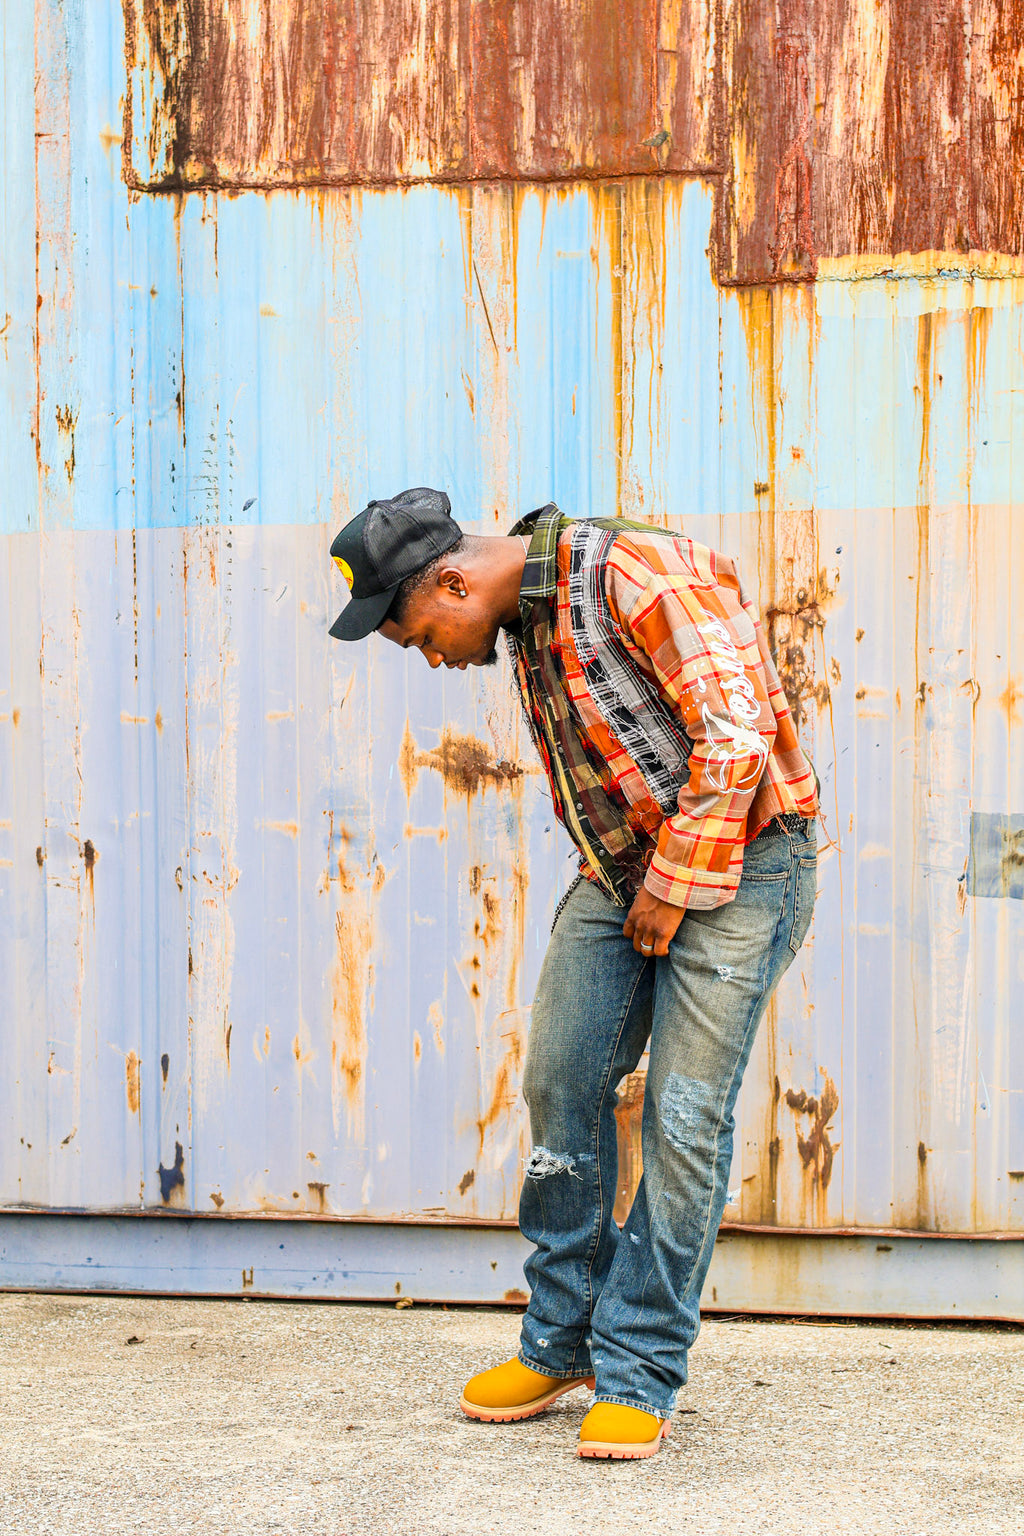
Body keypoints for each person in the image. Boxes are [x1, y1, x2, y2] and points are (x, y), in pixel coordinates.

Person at [329, 486, 819, 1460]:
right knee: (562, 1079)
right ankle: (562, 1339)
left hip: (747, 859)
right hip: (628, 870)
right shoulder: (528, 617)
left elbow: (735, 742)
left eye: (420, 633)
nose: (432, 658)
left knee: (682, 1114)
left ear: (455, 579)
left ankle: (638, 1365)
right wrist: (643, 881)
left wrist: (671, 889)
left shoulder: (630, 572)